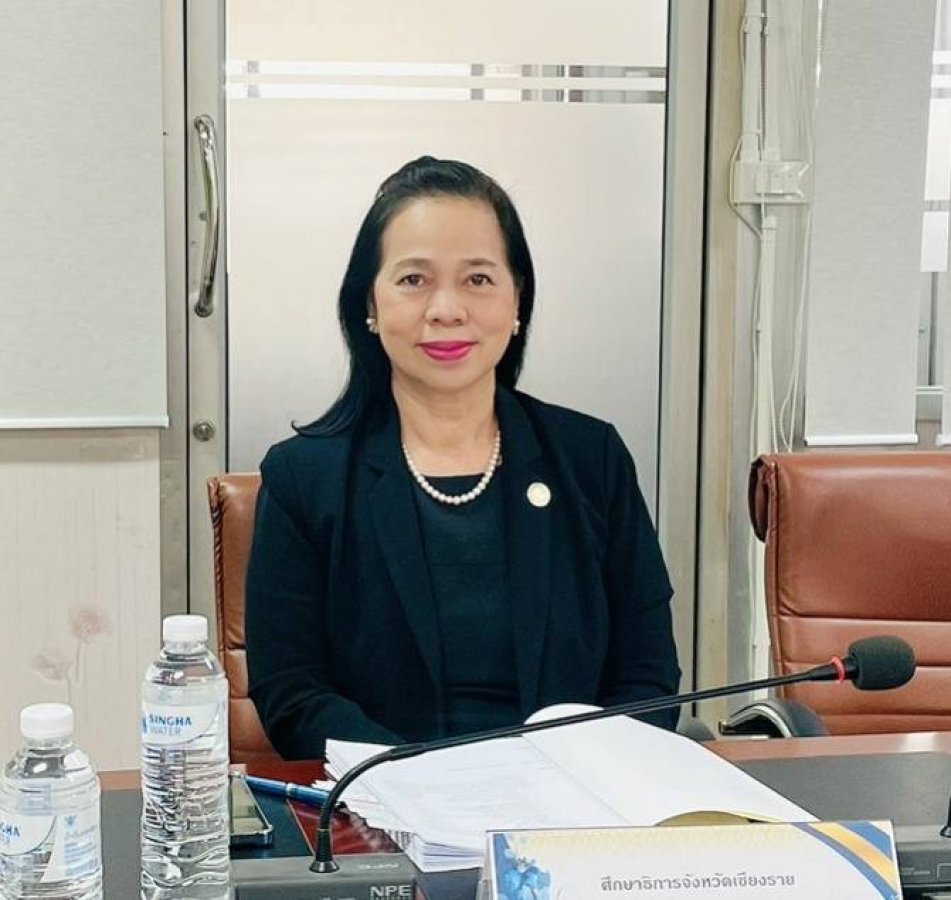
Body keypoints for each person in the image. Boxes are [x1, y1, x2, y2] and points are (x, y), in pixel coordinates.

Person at [245, 156, 680, 759]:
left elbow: (648, 677)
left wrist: (577, 774)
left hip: (571, 793)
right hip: (384, 798)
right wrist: (418, 782)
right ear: (369, 304)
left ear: (518, 299)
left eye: (478, 279)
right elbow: (291, 691)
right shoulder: (305, 477)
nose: (446, 309)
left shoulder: (591, 459)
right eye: (413, 279)